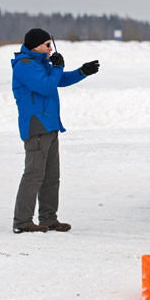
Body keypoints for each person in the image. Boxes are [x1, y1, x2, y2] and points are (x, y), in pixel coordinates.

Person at [11, 28, 100, 233]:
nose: (51, 49)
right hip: (36, 126)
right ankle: (22, 221)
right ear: (35, 46)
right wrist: (57, 66)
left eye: (51, 44)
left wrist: (82, 71)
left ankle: (48, 218)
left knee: (51, 177)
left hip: (50, 126)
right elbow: (45, 87)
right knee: (33, 175)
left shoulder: (41, 64)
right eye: (47, 45)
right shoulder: (24, 66)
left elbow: (59, 80)